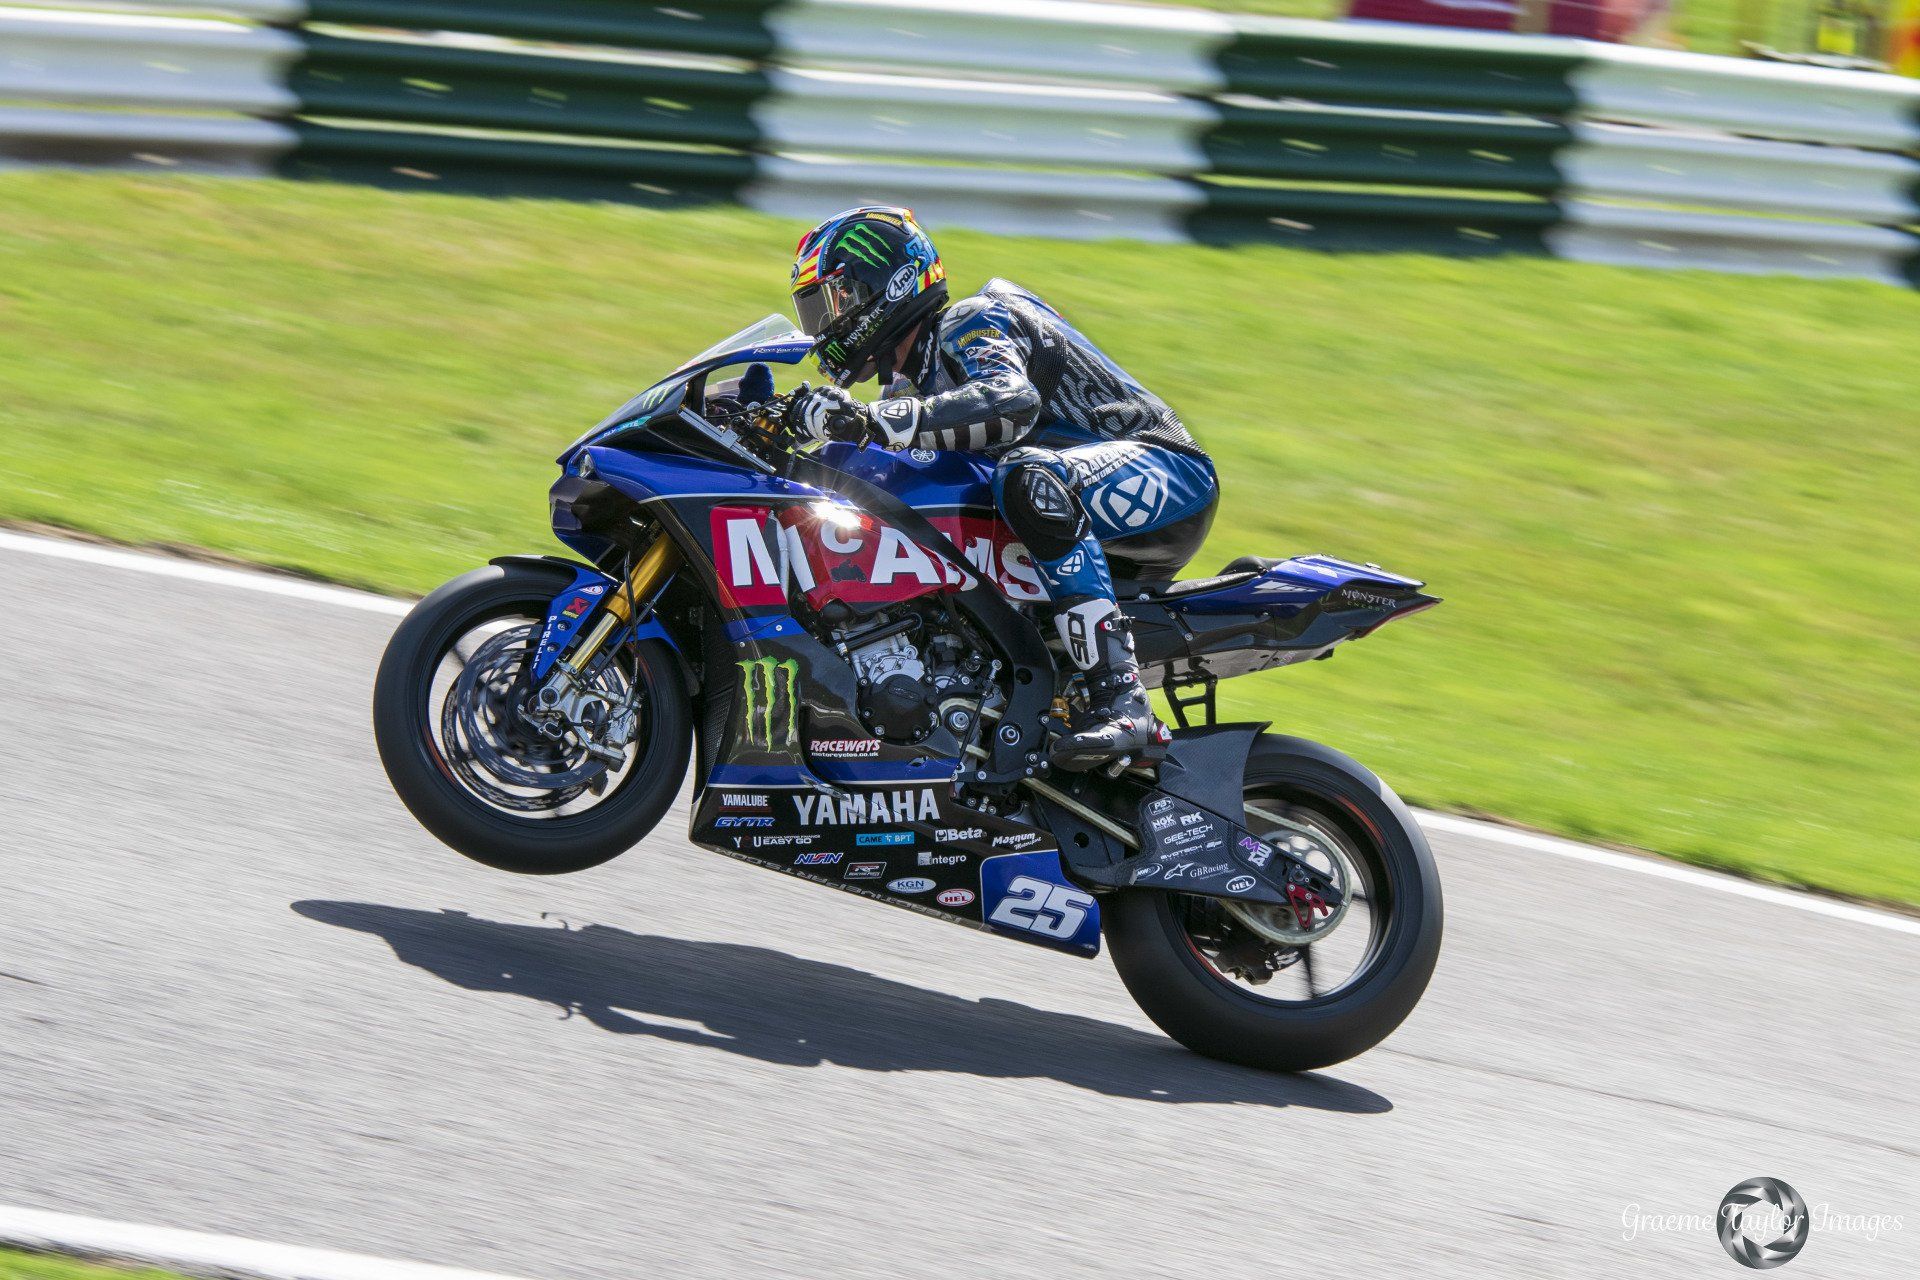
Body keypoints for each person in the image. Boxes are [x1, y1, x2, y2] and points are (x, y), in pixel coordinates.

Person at [784, 206, 1218, 772]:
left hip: (1167, 470)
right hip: (1066, 502)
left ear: (884, 286)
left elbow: (1010, 402)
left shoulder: (971, 320)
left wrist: (870, 420)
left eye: (833, 303)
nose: (824, 325)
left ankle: (1123, 698)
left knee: (1026, 477)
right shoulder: (906, 385)